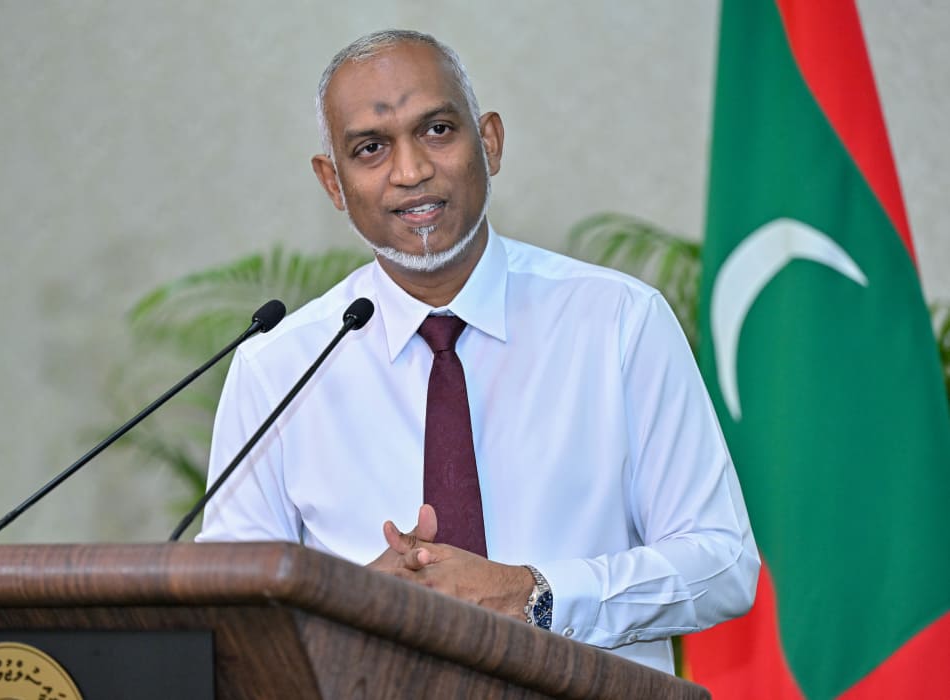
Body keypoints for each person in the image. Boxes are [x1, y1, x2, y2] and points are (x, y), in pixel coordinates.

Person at [197, 29, 759, 674]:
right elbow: (231, 615)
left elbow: (722, 563)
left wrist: (535, 595)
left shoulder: (618, 321)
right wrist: (349, 603)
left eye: (437, 130)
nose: (410, 171)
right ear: (333, 182)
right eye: (371, 148)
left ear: (489, 142)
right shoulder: (279, 366)